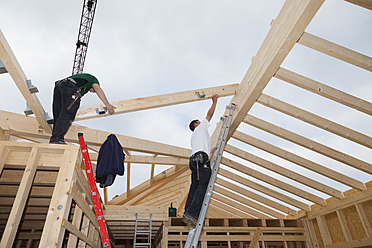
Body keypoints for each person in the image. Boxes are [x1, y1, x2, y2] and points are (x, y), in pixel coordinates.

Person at [182, 94, 219, 228]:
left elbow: (200, 149)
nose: (202, 122)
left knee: (194, 186)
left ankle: (187, 212)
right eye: (199, 121)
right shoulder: (201, 128)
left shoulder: (194, 137)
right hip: (201, 159)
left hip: (194, 160)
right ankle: (192, 214)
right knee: (203, 186)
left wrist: (210, 152)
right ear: (196, 124)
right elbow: (209, 115)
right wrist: (215, 102)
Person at [49, 73, 115, 144]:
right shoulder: (93, 80)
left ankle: (55, 131)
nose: (91, 91)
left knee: (59, 112)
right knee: (69, 113)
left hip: (59, 85)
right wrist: (107, 104)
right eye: (93, 91)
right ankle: (57, 139)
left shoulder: (83, 87)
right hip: (69, 85)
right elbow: (98, 89)